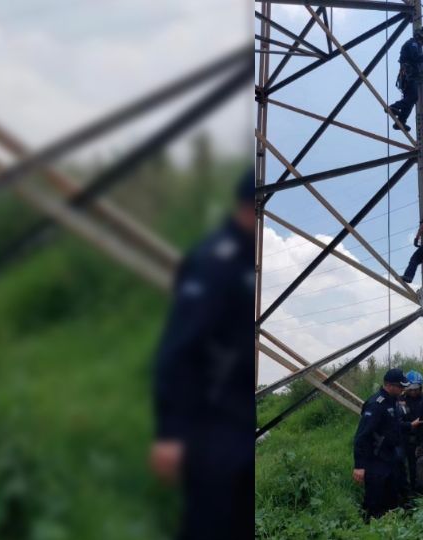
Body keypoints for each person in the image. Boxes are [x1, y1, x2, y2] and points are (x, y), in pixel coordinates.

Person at [151, 168, 255, 540]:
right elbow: (177, 350)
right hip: (213, 427)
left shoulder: (245, 259)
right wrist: (170, 433)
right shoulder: (215, 260)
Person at [352, 368, 422, 520]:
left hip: (390, 458)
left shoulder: (393, 401)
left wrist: (410, 425)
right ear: (389, 385)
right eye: (401, 386)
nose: (404, 389)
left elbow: (393, 426)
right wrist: (359, 465)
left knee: (391, 499)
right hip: (375, 461)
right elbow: (361, 436)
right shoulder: (376, 405)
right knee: (374, 502)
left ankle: (389, 527)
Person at [388, 26, 423, 131]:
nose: (422, 44)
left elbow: (415, 60)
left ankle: (401, 121)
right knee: (413, 97)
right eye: (422, 41)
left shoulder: (415, 45)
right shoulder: (413, 43)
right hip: (407, 75)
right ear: (418, 37)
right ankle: (394, 107)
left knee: (411, 99)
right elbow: (415, 58)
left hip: (408, 76)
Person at [399, 370, 423, 497]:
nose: (414, 392)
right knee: (406, 468)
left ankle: (420, 492)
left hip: (422, 439)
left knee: (421, 468)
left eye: (416, 389)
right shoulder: (400, 401)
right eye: (411, 389)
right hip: (405, 440)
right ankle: (407, 494)